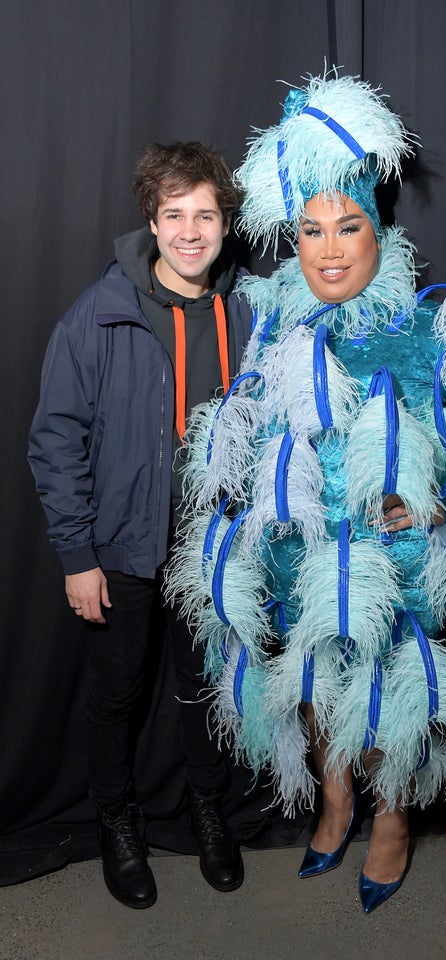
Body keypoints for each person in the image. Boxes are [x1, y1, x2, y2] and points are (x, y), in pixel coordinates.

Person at [167, 74, 446, 913]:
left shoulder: (421, 323)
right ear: (291, 238)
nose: (330, 249)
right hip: (305, 549)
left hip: (392, 553)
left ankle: (390, 819)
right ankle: (334, 804)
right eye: (310, 231)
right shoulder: (272, 322)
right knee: (313, 686)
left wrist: (440, 492)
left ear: (378, 232)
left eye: (348, 229)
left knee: (384, 694)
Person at [28, 141, 253, 909]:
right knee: (116, 695)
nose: (190, 231)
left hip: (213, 546)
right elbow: (55, 438)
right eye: (174, 215)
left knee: (204, 690)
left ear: (226, 222)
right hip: (120, 546)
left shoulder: (251, 310)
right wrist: (76, 554)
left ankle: (206, 813)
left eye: (205, 214)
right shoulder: (102, 314)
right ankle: (116, 827)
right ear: (151, 223)